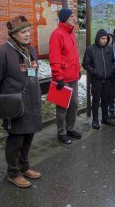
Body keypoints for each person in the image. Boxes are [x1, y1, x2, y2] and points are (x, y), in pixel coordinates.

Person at [0, 15, 42, 188]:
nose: (27, 34)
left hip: (31, 100)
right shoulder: (3, 52)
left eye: (28, 31)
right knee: (16, 138)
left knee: (29, 134)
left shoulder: (30, 50)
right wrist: (5, 98)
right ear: (13, 34)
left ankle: (24, 166)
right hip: (15, 103)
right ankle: (13, 172)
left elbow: (33, 70)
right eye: (23, 32)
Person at [49, 8, 81, 144]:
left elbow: (74, 55)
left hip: (73, 76)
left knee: (74, 105)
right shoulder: (57, 34)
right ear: (64, 18)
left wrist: (78, 70)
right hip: (62, 78)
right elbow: (55, 57)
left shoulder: (71, 33)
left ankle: (70, 128)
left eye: (73, 15)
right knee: (62, 107)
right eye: (71, 16)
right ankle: (61, 132)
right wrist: (58, 76)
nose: (73, 18)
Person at [82, 29, 115, 129]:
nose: (105, 41)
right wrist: (95, 72)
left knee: (106, 99)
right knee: (96, 99)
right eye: (103, 38)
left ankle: (105, 118)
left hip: (107, 79)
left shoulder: (109, 48)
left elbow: (112, 61)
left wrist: (111, 70)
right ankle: (95, 119)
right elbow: (85, 64)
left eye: (106, 38)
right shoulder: (90, 49)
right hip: (96, 79)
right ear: (98, 38)